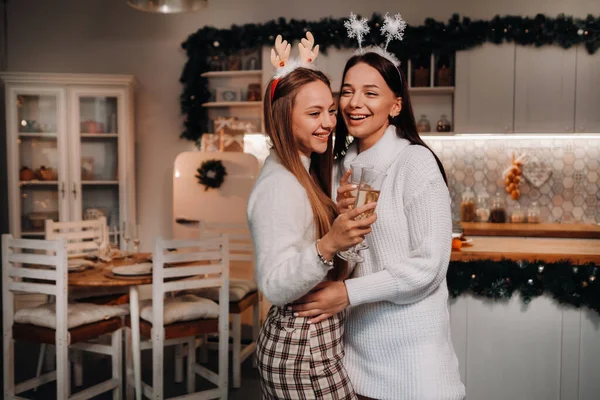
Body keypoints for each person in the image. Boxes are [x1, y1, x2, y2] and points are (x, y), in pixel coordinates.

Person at [291, 51, 466, 400]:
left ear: (396, 105)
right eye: (347, 91)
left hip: (415, 371)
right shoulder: (337, 170)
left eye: (370, 92)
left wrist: (348, 294)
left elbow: (430, 265)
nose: (355, 103)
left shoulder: (414, 162)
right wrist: (335, 235)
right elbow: (337, 259)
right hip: (353, 366)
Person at [247, 37, 377, 398]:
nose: (329, 123)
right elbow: (273, 286)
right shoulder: (279, 185)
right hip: (301, 350)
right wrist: (329, 243)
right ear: (284, 120)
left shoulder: (302, 171)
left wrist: (340, 215)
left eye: (330, 111)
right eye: (314, 113)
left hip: (313, 343)